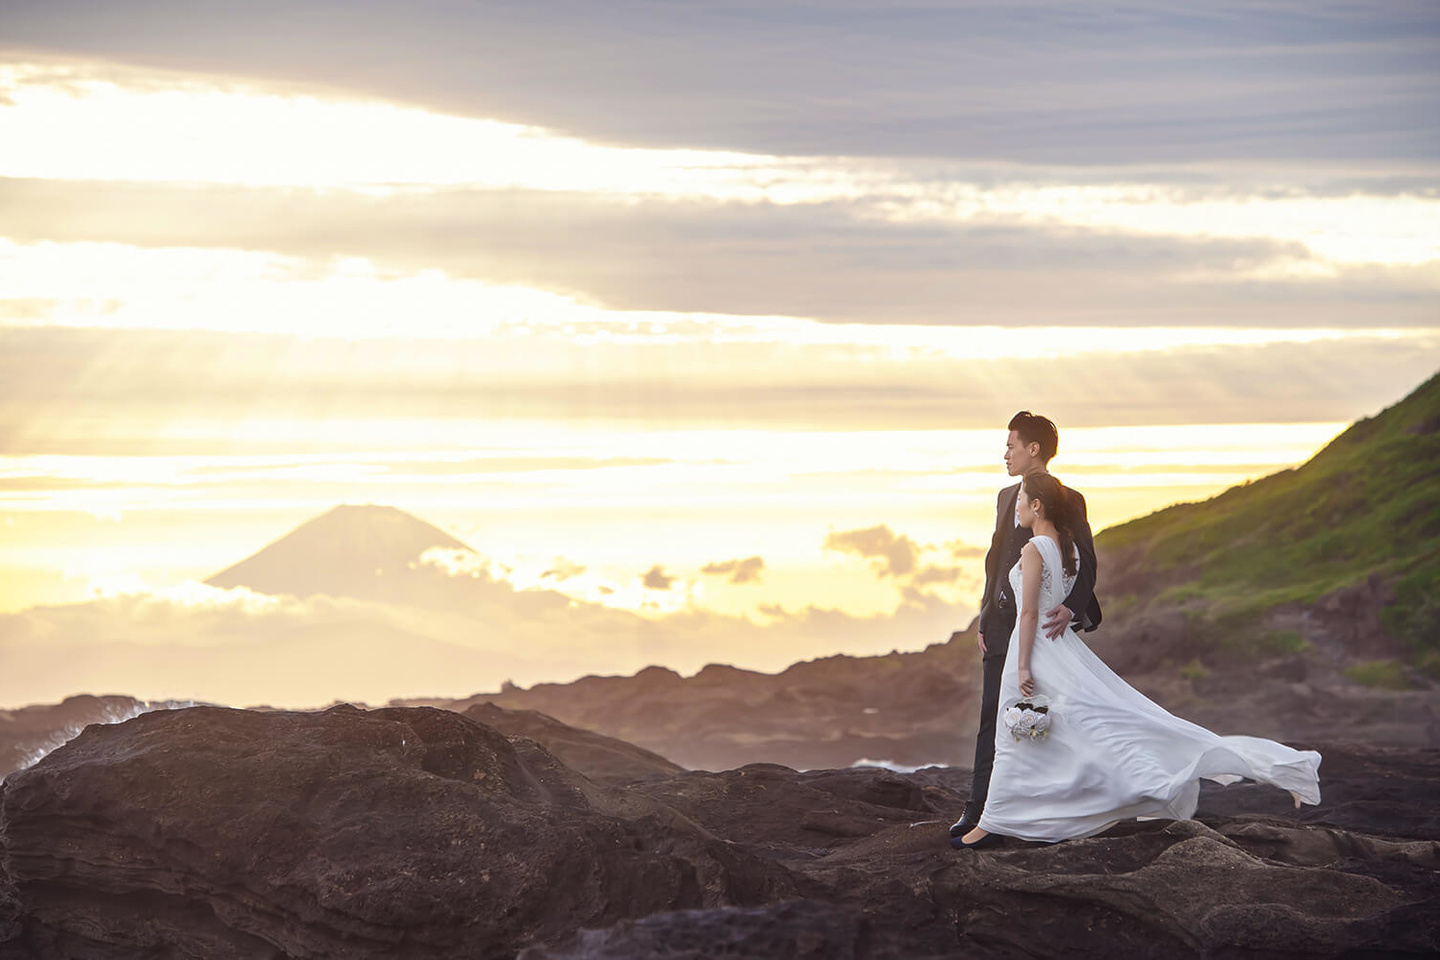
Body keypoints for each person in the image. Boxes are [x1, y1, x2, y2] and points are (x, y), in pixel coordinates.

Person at [954, 472, 1321, 847]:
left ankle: (995, 822)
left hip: (1035, 649)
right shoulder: (1063, 548)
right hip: (1057, 647)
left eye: (1021, 500)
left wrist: (1021, 666)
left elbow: (1030, 613)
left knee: (1020, 735)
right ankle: (1013, 816)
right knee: (1057, 731)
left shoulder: (1033, 550)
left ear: (1036, 505)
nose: (1016, 506)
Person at [949, 412, 1101, 839]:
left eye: (1011, 446)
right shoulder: (1004, 497)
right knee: (992, 717)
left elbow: (1085, 560)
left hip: (1046, 630)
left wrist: (1071, 607)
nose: (1005, 454)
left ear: (1033, 449)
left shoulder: (1069, 498)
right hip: (1001, 627)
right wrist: (984, 617)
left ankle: (1048, 809)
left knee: (1051, 719)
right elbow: (995, 561)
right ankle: (978, 810)